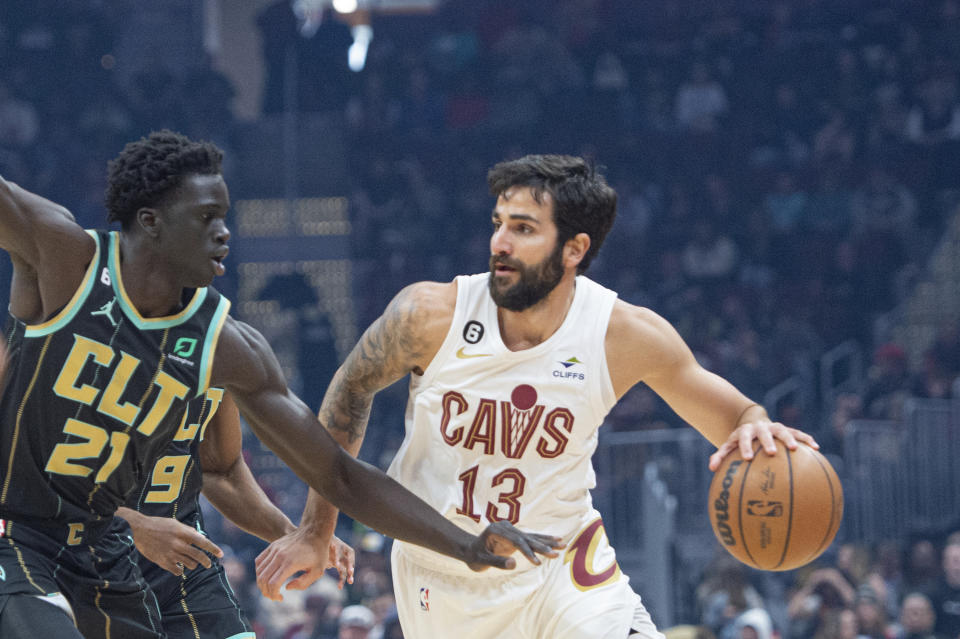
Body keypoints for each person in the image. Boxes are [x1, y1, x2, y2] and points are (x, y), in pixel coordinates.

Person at [0, 131, 561, 638]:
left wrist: (465, 544)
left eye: (225, 216)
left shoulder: (227, 345)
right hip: (17, 529)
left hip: (106, 549)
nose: (224, 233)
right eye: (206, 218)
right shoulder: (65, 255)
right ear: (151, 222)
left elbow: (337, 472)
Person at [255, 154, 819, 638]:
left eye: (523, 228)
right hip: (445, 569)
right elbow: (349, 393)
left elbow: (736, 413)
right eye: (499, 222)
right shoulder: (428, 314)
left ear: (574, 248)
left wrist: (753, 422)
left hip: (565, 562)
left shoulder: (622, 333)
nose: (500, 241)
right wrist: (315, 529)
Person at [113, 387, 355, 638]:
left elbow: (221, 471)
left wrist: (296, 535)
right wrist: (133, 525)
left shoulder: (222, 353)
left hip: (186, 566)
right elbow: (67, 492)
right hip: (90, 560)